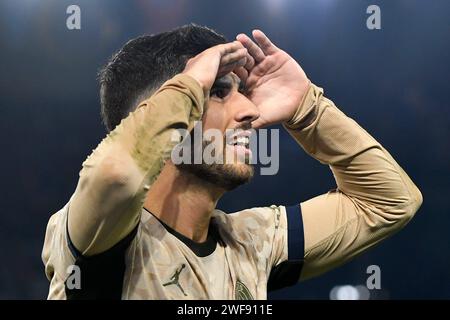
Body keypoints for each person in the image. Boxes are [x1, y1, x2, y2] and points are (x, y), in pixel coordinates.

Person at [42, 24, 422, 299]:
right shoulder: (92, 235)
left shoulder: (250, 241)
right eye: (220, 91)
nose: (251, 110)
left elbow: (391, 202)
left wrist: (308, 108)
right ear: (160, 112)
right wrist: (192, 83)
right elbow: (117, 175)